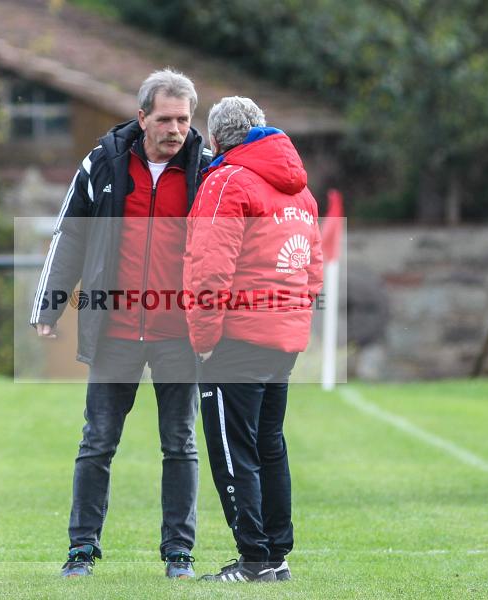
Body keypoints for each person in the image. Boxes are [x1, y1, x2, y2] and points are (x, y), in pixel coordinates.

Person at [31, 69, 212, 579]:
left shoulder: (207, 170)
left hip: (179, 334)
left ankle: (179, 554)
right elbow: (71, 236)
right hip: (114, 331)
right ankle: (81, 551)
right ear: (142, 117)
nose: (175, 129)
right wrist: (49, 306)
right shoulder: (103, 163)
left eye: (183, 119)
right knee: (97, 443)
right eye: (165, 118)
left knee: (180, 445)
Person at [184, 97, 323, 582]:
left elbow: (208, 270)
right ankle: (276, 557)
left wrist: (202, 338)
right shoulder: (300, 191)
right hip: (283, 339)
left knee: (232, 449)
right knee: (269, 446)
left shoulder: (225, 181)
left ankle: (254, 560)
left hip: (237, 340)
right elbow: (313, 271)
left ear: (217, 140)